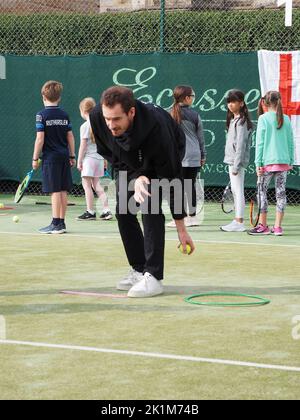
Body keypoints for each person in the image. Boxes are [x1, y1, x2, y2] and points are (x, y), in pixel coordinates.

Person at [89, 86, 195, 298]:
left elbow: (172, 178)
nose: (110, 124)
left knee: (150, 206)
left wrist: (181, 227)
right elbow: (111, 154)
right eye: (107, 118)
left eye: (116, 119)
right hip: (127, 160)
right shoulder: (98, 118)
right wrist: (135, 176)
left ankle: (154, 277)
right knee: (124, 211)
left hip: (161, 158)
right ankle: (139, 269)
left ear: (131, 112)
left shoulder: (157, 128)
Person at [248, 91, 294, 236]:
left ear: (265, 103)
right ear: (279, 101)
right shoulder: (286, 119)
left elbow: (260, 143)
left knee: (262, 192)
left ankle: (263, 226)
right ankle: (278, 227)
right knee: (281, 193)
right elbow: (291, 142)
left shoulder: (263, 118)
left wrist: (258, 163)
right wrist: (290, 161)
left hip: (266, 163)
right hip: (283, 163)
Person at [32, 80, 75, 234]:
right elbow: (70, 136)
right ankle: (61, 223)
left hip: (51, 158)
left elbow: (40, 139)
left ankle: (56, 223)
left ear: (44, 96)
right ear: (59, 98)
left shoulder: (41, 115)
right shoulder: (64, 114)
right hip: (64, 156)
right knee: (62, 189)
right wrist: (72, 155)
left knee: (55, 191)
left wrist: (35, 158)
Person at [167, 85, 206, 228]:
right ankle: (192, 217)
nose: (193, 99)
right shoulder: (195, 115)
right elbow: (201, 138)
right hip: (193, 156)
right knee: (190, 187)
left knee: (177, 188)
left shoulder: (168, 113)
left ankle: (180, 220)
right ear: (187, 98)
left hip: (178, 157)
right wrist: (203, 155)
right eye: (193, 96)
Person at [221, 89, 253, 232]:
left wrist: (236, 165)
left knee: (238, 191)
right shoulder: (234, 119)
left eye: (233, 102)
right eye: (229, 102)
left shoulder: (242, 121)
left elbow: (241, 145)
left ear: (241, 103)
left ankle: (239, 222)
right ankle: (237, 220)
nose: (230, 104)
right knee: (235, 190)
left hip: (236, 163)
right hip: (231, 161)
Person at [77, 97, 112, 221]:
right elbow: (105, 145)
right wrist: (105, 160)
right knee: (97, 185)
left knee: (86, 186)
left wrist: (79, 160)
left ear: (83, 111)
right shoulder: (101, 125)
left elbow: (83, 145)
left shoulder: (84, 126)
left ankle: (90, 211)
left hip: (89, 160)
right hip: (99, 159)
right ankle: (106, 210)